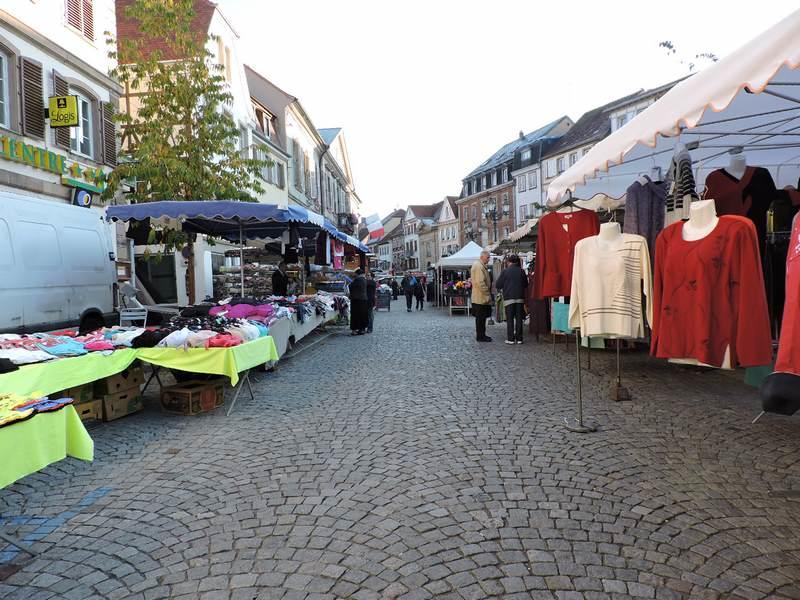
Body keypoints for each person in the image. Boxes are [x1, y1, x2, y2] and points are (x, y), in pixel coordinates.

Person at [495, 254, 528, 344]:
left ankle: (510, 339)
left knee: (509, 319)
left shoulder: (505, 271)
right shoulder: (521, 271)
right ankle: (519, 338)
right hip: (520, 298)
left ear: (509, 262)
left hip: (509, 298)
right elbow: (526, 284)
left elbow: (498, 285)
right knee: (519, 319)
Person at [471, 250, 493, 342]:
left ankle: (482, 335)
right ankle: (481, 336)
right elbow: (480, 282)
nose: (488, 259)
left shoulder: (480, 265)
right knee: (480, 319)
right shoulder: (479, 266)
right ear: (482, 257)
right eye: (487, 257)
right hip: (480, 297)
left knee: (481, 318)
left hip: (480, 297)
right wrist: (487, 293)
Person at [349, 269, 368, 335]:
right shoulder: (364, 280)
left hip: (356, 300)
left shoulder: (357, 280)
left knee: (355, 315)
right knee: (362, 315)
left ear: (357, 274)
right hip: (363, 299)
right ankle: (362, 329)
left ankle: (355, 329)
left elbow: (351, 287)